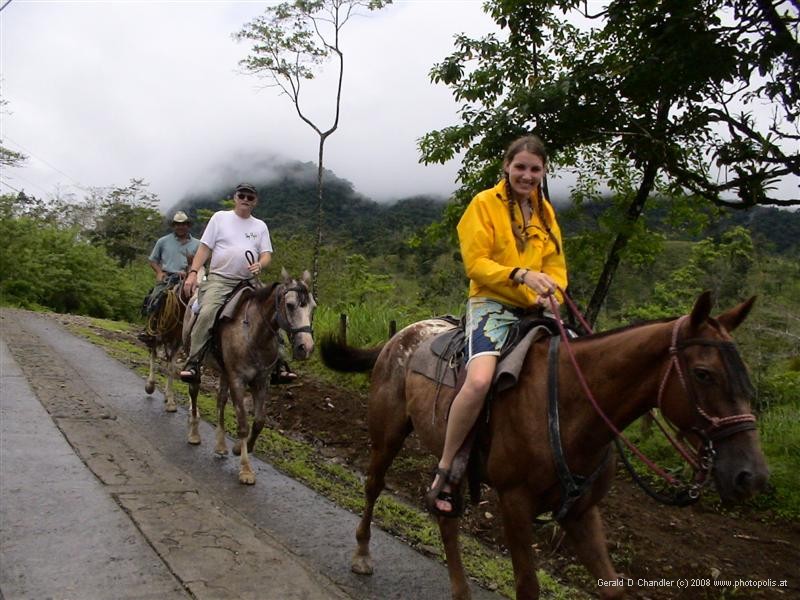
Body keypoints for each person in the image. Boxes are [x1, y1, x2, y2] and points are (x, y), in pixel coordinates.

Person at [426, 135, 568, 518]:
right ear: (506, 166)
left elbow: (556, 268)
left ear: (544, 171)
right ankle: (447, 467)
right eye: (520, 167)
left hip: (535, 309)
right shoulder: (483, 204)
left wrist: (550, 291)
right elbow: (477, 264)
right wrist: (521, 275)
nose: (527, 175)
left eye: (535, 169)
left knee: (575, 368)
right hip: (491, 303)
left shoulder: (546, 213)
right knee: (478, 381)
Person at [179, 183, 273, 382]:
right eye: (242, 196)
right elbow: (204, 248)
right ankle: (194, 360)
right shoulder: (219, 218)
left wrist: (260, 265)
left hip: (248, 281)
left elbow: (266, 254)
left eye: (250, 197)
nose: (245, 200)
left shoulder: (260, 226)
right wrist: (193, 272)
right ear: (235, 197)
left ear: (255, 201)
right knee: (206, 312)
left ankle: (278, 361)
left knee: (273, 309)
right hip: (221, 279)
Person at [138, 211, 200, 345]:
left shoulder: (198, 244)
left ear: (188, 225)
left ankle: (198, 335)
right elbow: (153, 260)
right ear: (174, 226)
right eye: (178, 224)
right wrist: (159, 272)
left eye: (183, 224)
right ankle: (150, 330)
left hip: (189, 279)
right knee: (155, 297)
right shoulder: (163, 241)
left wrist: (191, 271)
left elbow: (201, 265)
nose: (180, 227)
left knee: (200, 303)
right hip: (169, 277)